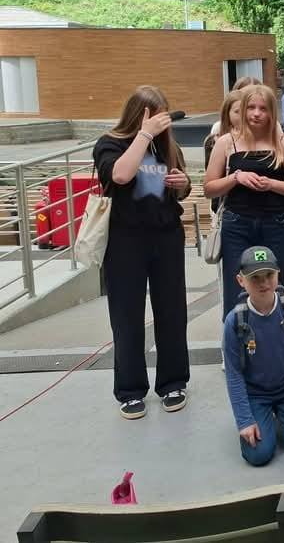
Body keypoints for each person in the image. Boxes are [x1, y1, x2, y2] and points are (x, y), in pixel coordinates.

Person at [93, 86, 191, 420]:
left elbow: (181, 189)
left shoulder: (168, 146)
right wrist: (144, 135)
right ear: (139, 114)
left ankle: (173, 382)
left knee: (172, 311)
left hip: (166, 236)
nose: (163, 123)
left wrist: (182, 184)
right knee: (127, 316)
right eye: (155, 116)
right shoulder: (109, 144)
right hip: (125, 240)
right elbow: (120, 175)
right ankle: (130, 389)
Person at [205, 85, 284, 320]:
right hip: (236, 224)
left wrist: (272, 184)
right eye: (251, 107)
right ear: (243, 110)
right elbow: (210, 188)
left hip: (275, 223)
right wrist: (236, 177)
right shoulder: (226, 142)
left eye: (263, 108)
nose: (256, 113)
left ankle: (276, 334)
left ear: (272, 112)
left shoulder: (283, 143)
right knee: (236, 288)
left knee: (275, 286)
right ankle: (237, 336)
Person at [223, 247, 284, 466]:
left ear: (278, 275)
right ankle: (262, 417)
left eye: (269, 275)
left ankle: (281, 415)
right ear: (241, 281)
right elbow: (234, 374)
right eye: (254, 277)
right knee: (259, 454)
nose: (263, 282)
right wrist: (245, 420)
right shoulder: (235, 321)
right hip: (256, 394)